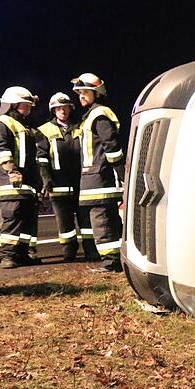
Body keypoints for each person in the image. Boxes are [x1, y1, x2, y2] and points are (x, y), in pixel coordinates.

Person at [0, 86, 42, 269]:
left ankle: (21, 254)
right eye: (27, 104)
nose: (30, 107)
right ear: (15, 104)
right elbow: (1, 150)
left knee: (26, 221)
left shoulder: (24, 125)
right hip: (13, 182)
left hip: (28, 183)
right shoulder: (1, 124)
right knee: (12, 219)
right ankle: (7, 256)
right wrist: (11, 171)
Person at [72, 73, 124, 272]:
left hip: (101, 178)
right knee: (103, 220)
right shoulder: (90, 116)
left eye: (86, 92)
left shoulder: (100, 114)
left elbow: (111, 147)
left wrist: (121, 172)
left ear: (97, 93)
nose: (81, 96)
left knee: (102, 222)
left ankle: (111, 263)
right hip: (94, 178)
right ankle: (114, 260)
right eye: (79, 93)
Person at [37, 92, 97, 261]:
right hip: (58, 184)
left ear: (71, 109)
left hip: (82, 182)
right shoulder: (44, 131)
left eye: (65, 108)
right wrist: (46, 178)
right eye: (59, 108)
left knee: (86, 220)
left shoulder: (81, 127)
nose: (63, 111)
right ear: (53, 110)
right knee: (64, 222)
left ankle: (91, 251)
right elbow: (41, 158)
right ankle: (69, 251)